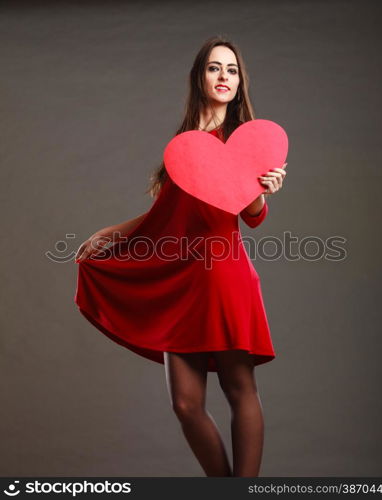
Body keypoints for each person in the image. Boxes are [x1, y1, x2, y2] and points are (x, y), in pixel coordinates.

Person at [74, 35, 287, 477]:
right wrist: (110, 233)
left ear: (240, 81)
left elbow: (250, 213)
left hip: (223, 273)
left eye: (231, 69)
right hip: (181, 276)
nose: (224, 76)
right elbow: (167, 214)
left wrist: (262, 194)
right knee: (186, 404)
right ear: (199, 77)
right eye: (214, 67)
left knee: (239, 387)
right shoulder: (186, 143)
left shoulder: (247, 141)